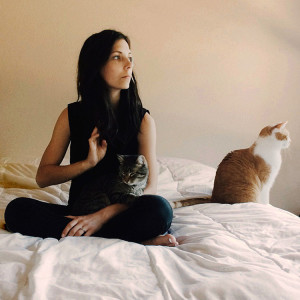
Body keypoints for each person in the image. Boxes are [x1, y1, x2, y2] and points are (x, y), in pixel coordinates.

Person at [4, 29, 178, 247]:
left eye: (130, 57)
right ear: (97, 65)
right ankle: (139, 239)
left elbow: (149, 186)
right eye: (118, 57)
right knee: (16, 210)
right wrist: (87, 163)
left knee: (160, 210)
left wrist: (102, 217)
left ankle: (93, 232)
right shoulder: (71, 115)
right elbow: (43, 177)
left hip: (122, 212)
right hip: (80, 212)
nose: (129, 64)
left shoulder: (142, 120)